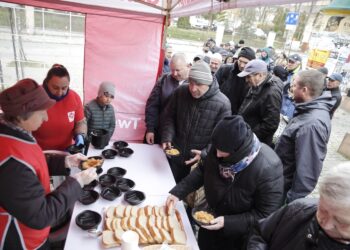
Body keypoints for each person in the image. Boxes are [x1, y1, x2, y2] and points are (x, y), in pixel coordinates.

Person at [0, 78, 97, 249]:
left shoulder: (15, 133)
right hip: (22, 239)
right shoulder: (10, 163)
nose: (46, 117)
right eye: (42, 112)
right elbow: (41, 216)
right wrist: (77, 182)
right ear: (23, 115)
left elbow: (31, 162)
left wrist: (66, 161)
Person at [166, 115, 284, 250]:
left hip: (238, 238)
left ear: (237, 150)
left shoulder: (269, 168)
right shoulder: (219, 146)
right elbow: (203, 170)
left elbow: (266, 215)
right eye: (215, 149)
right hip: (211, 221)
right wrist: (178, 192)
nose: (217, 154)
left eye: (223, 152)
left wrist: (227, 223)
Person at [247, 162, 350, 250]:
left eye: (340, 221)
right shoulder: (299, 209)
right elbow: (260, 233)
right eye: (322, 210)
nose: (326, 224)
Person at [161, 60, 231, 183]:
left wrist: (205, 153)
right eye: (191, 82)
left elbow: (222, 138)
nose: (193, 88)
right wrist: (167, 137)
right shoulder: (180, 92)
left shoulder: (223, 103)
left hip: (198, 163)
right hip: (175, 156)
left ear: (208, 83)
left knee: (186, 197)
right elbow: (169, 117)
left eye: (198, 84)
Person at [275, 70, 335, 203]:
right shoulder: (307, 111)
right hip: (279, 183)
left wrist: (289, 204)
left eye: (294, 85)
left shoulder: (312, 124)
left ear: (304, 90)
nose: (291, 88)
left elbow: (307, 172)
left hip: (283, 193)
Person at [32, 64, 87, 151]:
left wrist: (80, 135)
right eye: (55, 88)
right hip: (40, 151)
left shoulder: (74, 97)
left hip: (66, 151)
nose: (60, 93)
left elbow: (80, 122)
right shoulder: (34, 96)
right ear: (46, 82)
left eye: (64, 88)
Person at [144, 53, 190, 145]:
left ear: (188, 66)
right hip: (160, 130)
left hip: (180, 135)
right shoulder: (164, 79)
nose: (174, 73)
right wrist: (150, 128)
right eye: (172, 70)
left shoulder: (194, 84)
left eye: (178, 70)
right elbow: (152, 105)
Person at [237, 59, 283, 146]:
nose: (246, 80)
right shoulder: (256, 85)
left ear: (260, 75)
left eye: (248, 76)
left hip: (254, 142)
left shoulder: (271, 93)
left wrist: (249, 136)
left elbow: (270, 124)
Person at [216, 47, 256, 114]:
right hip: (219, 110)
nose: (242, 65)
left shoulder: (254, 78)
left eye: (246, 63)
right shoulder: (224, 70)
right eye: (240, 61)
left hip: (237, 116)